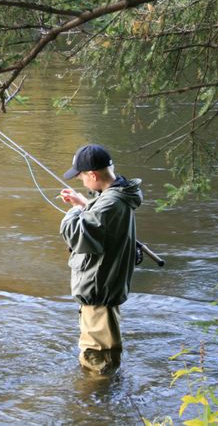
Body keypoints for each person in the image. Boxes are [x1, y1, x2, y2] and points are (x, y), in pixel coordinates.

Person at [58, 144, 142, 374]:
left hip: (99, 290)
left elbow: (76, 235)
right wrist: (83, 204)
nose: (82, 182)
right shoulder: (118, 195)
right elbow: (102, 220)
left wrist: (74, 212)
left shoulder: (110, 203)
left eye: (81, 177)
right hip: (107, 287)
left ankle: (94, 402)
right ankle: (107, 397)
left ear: (93, 175)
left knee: (96, 358)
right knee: (106, 353)